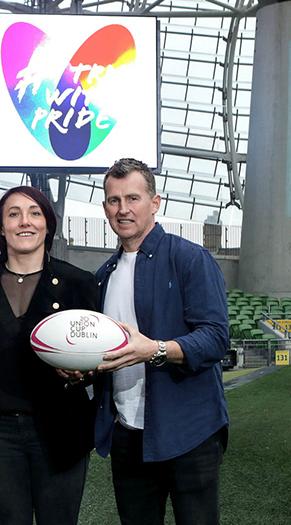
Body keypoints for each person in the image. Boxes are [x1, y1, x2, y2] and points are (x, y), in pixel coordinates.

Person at [94, 158, 230, 525]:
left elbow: (216, 338)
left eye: (133, 198)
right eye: (113, 200)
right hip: (128, 435)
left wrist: (154, 350)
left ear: (155, 203)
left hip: (189, 431)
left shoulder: (190, 258)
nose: (123, 209)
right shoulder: (103, 275)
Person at [0, 186, 99, 525]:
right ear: (1, 227)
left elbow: (98, 357)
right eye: (14, 213)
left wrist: (85, 373)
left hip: (60, 428)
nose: (25, 221)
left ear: (48, 225)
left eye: (35, 213)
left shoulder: (78, 282)